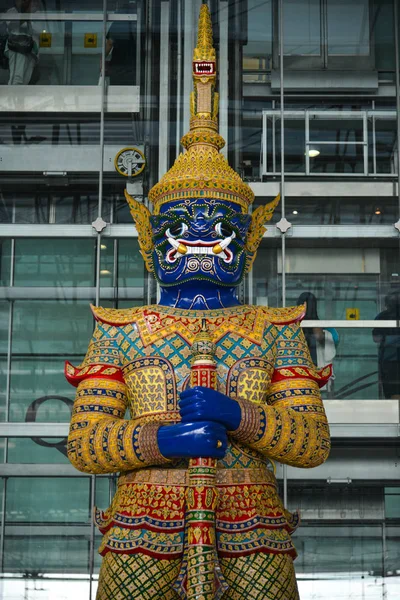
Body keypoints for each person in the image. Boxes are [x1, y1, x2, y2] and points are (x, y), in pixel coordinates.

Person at [65, 6, 331, 599]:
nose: (204, 237)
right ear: (149, 237)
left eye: (221, 225)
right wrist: (162, 439)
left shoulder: (275, 329)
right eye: (184, 224)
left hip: (251, 528)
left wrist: (239, 415)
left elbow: (311, 443)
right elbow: (85, 443)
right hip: (143, 528)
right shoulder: (122, 328)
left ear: (250, 239)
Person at [297, 292, 338, 373]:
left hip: (317, 373)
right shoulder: (293, 328)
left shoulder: (328, 329)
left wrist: (311, 317)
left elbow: (319, 336)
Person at [373, 292, 400, 399]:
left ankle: (394, 414)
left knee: (392, 392)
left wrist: (388, 339)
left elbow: (376, 338)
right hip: (389, 359)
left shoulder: (382, 316)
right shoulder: (382, 316)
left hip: (388, 360)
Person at [5, 0, 39, 85]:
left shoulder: (38, 14)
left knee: (25, 81)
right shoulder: (13, 11)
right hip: (18, 47)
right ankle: (12, 97)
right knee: (16, 79)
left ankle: (19, 98)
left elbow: (40, 31)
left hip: (32, 51)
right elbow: (11, 25)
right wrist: (26, 13)